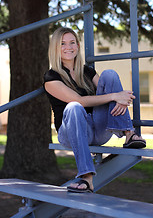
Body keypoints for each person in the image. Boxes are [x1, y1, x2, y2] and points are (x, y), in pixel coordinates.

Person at [43, 27, 146, 193]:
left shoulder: (87, 71)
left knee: (110, 75)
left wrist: (116, 96)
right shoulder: (51, 77)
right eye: (62, 43)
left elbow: (106, 89)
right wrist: (115, 96)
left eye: (72, 42)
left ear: (77, 45)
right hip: (70, 132)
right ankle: (86, 177)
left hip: (97, 129)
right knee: (74, 106)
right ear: (55, 48)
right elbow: (79, 101)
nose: (68, 47)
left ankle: (129, 134)